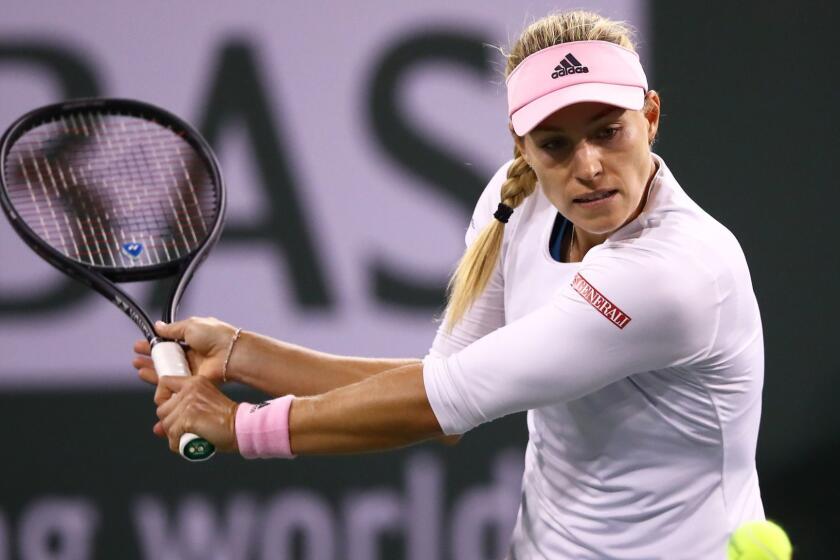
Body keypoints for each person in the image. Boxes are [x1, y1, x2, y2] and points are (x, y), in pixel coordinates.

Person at [132, 10, 766, 558]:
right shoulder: (514, 204)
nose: (589, 166)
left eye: (608, 131)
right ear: (522, 148)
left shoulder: (676, 275)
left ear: (650, 117)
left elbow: (441, 400)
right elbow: (443, 389)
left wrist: (244, 427)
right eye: (555, 145)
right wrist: (243, 353)